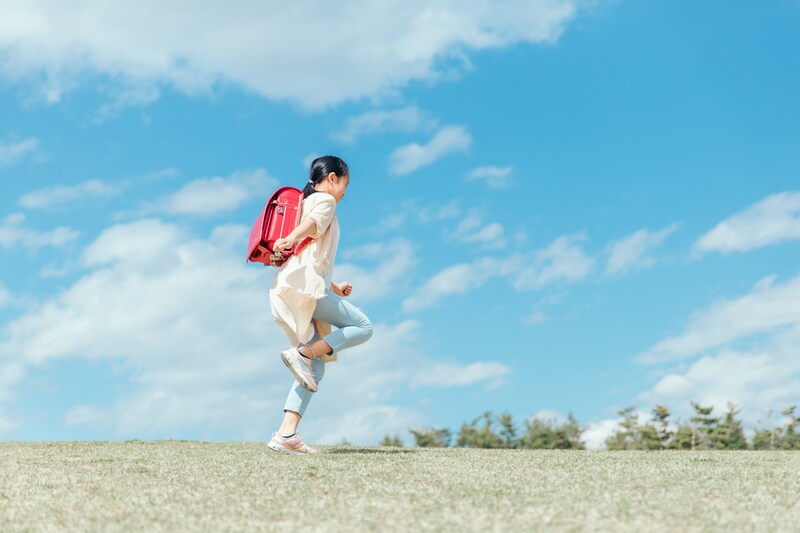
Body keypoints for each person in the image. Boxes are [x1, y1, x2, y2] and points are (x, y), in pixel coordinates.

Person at [267, 155, 373, 455]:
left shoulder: (305, 201)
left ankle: (286, 435)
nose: (344, 192)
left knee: (314, 370)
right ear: (332, 178)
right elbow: (312, 228)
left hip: (296, 287)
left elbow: (311, 253)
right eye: (344, 184)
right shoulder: (325, 202)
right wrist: (290, 237)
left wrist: (335, 286)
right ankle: (303, 353)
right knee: (364, 327)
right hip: (306, 290)